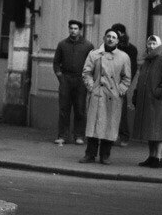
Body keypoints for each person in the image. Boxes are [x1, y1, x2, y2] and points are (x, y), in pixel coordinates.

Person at [80, 28, 132, 165]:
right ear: (104, 38)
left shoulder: (123, 57)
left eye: (113, 37)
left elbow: (126, 78)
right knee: (94, 125)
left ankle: (105, 155)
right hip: (97, 94)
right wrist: (91, 86)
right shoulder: (94, 54)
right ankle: (90, 154)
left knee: (109, 126)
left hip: (112, 96)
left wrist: (119, 90)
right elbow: (86, 72)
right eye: (108, 36)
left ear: (118, 41)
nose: (110, 39)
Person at [132, 35, 162, 169]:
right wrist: (137, 94)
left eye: (153, 44)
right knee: (150, 130)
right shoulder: (146, 62)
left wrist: (156, 93)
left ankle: (158, 157)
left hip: (158, 103)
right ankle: (151, 156)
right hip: (147, 102)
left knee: (158, 131)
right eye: (149, 44)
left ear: (159, 46)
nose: (150, 46)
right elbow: (140, 80)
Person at [52, 19, 94, 145]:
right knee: (64, 109)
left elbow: (92, 64)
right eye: (71, 28)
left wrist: (87, 79)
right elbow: (56, 63)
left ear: (80, 30)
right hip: (66, 79)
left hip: (81, 80)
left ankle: (79, 136)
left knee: (80, 109)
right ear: (69, 29)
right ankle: (62, 136)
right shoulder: (62, 44)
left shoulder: (88, 45)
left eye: (76, 29)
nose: (73, 31)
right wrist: (60, 77)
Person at [111, 22, 138, 147]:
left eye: (118, 32)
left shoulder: (131, 49)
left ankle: (124, 136)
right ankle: (111, 136)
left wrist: (125, 85)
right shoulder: (110, 47)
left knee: (122, 112)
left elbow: (132, 69)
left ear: (122, 33)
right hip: (109, 82)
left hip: (121, 83)